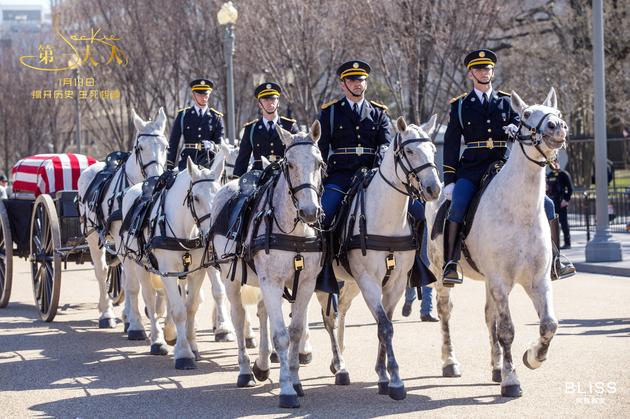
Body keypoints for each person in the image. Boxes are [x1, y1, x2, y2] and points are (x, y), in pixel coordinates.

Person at [442, 49, 574, 285]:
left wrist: (516, 131)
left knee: (548, 204)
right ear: (471, 73)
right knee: (458, 203)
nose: (485, 72)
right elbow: (451, 146)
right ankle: (451, 262)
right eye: (480, 69)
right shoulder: (461, 106)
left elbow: (525, 127)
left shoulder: (505, 101)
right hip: (472, 169)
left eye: (488, 68)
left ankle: (555, 258)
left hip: (503, 168)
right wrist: (450, 180)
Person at [316, 60, 431, 294]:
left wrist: (380, 159)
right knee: (325, 215)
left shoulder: (379, 113)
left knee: (418, 212)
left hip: (372, 175)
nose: (358, 84)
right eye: (352, 80)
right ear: (343, 85)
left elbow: (386, 144)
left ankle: (416, 265)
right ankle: (325, 272)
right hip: (341, 175)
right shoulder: (330, 112)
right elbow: (321, 149)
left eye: (361, 80)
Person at [233, 82, 299, 177]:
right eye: (265, 99)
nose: (269, 102)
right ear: (260, 104)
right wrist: (236, 180)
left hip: (285, 176)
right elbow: (243, 159)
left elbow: (298, 154)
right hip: (259, 176)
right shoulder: (251, 129)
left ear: (278, 102)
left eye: (273, 99)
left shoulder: (290, 126)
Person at [167, 78, 224, 171]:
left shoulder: (216, 117)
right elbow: (173, 143)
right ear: (193, 95)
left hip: (208, 160)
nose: (203, 97)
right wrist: (170, 166)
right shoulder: (183, 115)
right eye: (199, 94)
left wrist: (212, 145)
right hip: (188, 160)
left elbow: (220, 144)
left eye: (206, 94)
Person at [547, 159, 573, 249]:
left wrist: (566, 200)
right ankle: (555, 244)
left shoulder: (564, 174)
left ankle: (567, 242)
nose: (554, 164)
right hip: (552, 202)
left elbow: (570, 189)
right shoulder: (549, 175)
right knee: (553, 224)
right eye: (552, 163)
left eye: (555, 162)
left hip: (561, 202)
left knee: (564, 223)